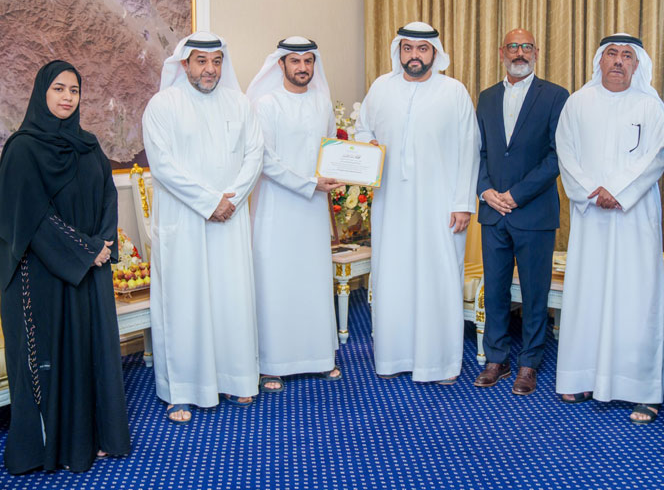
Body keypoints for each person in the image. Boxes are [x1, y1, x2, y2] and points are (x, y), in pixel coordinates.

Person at [0, 60, 130, 473]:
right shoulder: (22, 149)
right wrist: (86, 250)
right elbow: (33, 218)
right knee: (54, 358)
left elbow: (108, 195)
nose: (67, 97)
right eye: (58, 88)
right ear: (42, 93)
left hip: (89, 267)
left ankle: (93, 439)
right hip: (42, 275)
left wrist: (102, 244)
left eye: (74, 90)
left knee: (90, 352)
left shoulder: (88, 145)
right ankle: (52, 448)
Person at [142, 32, 264, 423]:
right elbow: (163, 165)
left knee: (230, 298)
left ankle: (235, 378)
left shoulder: (239, 103)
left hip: (230, 217)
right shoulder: (163, 105)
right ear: (185, 64)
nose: (210, 69)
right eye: (201, 61)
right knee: (185, 302)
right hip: (185, 221)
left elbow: (255, 154)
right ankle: (182, 390)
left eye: (216, 61)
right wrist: (210, 202)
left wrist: (231, 199)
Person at [555, 34, 664, 424]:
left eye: (626, 56)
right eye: (611, 54)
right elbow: (565, 153)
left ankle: (642, 390)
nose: (618, 61)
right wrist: (593, 191)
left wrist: (618, 191)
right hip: (591, 217)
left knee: (636, 298)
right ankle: (582, 377)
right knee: (588, 294)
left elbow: (655, 158)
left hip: (633, 218)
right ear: (599, 61)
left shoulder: (650, 106)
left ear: (637, 64)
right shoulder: (578, 103)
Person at [355, 21, 480, 384]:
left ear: (434, 53)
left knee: (438, 277)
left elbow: (469, 149)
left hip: (441, 206)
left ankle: (438, 363)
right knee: (393, 276)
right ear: (399, 51)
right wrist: (364, 149)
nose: (414, 55)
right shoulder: (381, 87)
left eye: (422, 49)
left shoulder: (454, 92)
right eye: (407, 48)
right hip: (390, 203)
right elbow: (363, 130)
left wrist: (462, 203)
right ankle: (393, 357)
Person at [473, 29, 569, 395]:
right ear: (502, 52)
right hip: (493, 211)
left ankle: (529, 363)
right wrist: (485, 190)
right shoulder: (486, 97)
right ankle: (496, 359)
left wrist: (516, 195)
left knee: (534, 293)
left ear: (537, 52)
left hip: (533, 212)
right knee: (495, 290)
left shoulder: (556, 96)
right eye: (513, 46)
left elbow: (557, 155)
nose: (520, 52)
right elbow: (479, 152)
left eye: (526, 46)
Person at [246, 37, 344, 392]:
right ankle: (272, 364)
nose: (303, 67)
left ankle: (319, 358)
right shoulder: (266, 104)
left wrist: (340, 171)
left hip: (313, 211)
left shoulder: (322, 102)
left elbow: (331, 147)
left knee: (313, 280)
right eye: (295, 61)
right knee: (276, 283)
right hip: (276, 208)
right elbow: (265, 160)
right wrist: (309, 183)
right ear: (281, 65)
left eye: (308, 61)